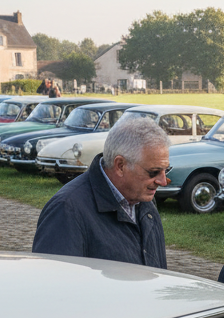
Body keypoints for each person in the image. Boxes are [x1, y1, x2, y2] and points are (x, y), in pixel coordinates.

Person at [32, 114, 169, 267]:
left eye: (166, 170)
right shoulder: (67, 210)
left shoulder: (143, 199)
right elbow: (55, 283)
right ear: (120, 166)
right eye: (153, 172)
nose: (162, 182)